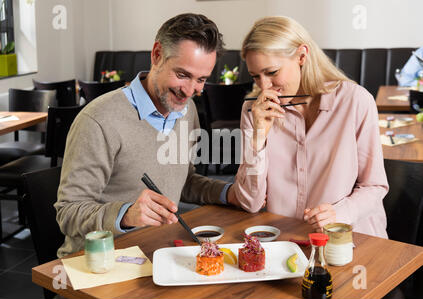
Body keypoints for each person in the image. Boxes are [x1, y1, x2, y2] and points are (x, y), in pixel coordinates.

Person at [55, 13, 238, 257]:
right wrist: (126, 215)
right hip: (99, 264)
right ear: (157, 55)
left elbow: (183, 180)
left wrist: (228, 193)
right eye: (182, 74)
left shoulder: (186, 110)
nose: (190, 91)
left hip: (155, 250)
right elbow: (67, 213)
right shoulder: (98, 120)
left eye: (201, 79)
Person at [227, 16, 389, 238]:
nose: (264, 86)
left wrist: (339, 213)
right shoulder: (254, 110)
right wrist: (258, 140)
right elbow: (250, 202)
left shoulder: (355, 101)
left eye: (272, 72)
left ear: (302, 56)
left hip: (352, 238)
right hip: (287, 241)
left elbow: (374, 186)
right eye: (256, 76)